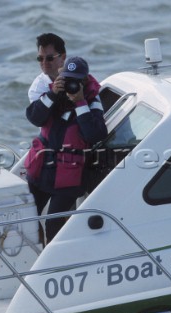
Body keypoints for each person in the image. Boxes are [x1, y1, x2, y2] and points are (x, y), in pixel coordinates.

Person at [24, 56, 108, 245]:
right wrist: (53, 94)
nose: (72, 84)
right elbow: (35, 118)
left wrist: (80, 102)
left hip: (69, 176)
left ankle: (53, 266)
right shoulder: (53, 94)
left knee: (54, 224)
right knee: (28, 218)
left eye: (76, 80)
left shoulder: (92, 99)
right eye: (68, 78)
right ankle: (32, 257)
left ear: (85, 80)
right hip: (42, 170)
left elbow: (95, 134)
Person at [28, 33, 67, 103]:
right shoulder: (37, 89)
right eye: (40, 58)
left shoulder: (78, 75)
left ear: (63, 57)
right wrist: (53, 93)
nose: (44, 62)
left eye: (49, 58)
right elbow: (38, 113)